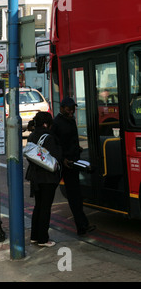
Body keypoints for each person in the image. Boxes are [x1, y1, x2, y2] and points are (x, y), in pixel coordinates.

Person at [51, 97, 96, 236]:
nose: (71, 111)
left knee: (75, 195)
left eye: (73, 109)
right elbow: (54, 145)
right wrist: (63, 158)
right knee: (72, 196)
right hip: (65, 164)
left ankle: (82, 225)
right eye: (69, 109)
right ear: (62, 108)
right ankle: (81, 226)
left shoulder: (69, 120)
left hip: (73, 162)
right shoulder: (57, 123)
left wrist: (77, 149)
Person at [25, 112, 62, 247]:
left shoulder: (32, 136)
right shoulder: (49, 137)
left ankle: (34, 236)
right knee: (45, 208)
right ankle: (43, 239)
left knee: (38, 206)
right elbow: (56, 156)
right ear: (46, 124)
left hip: (35, 176)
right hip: (47, 177)